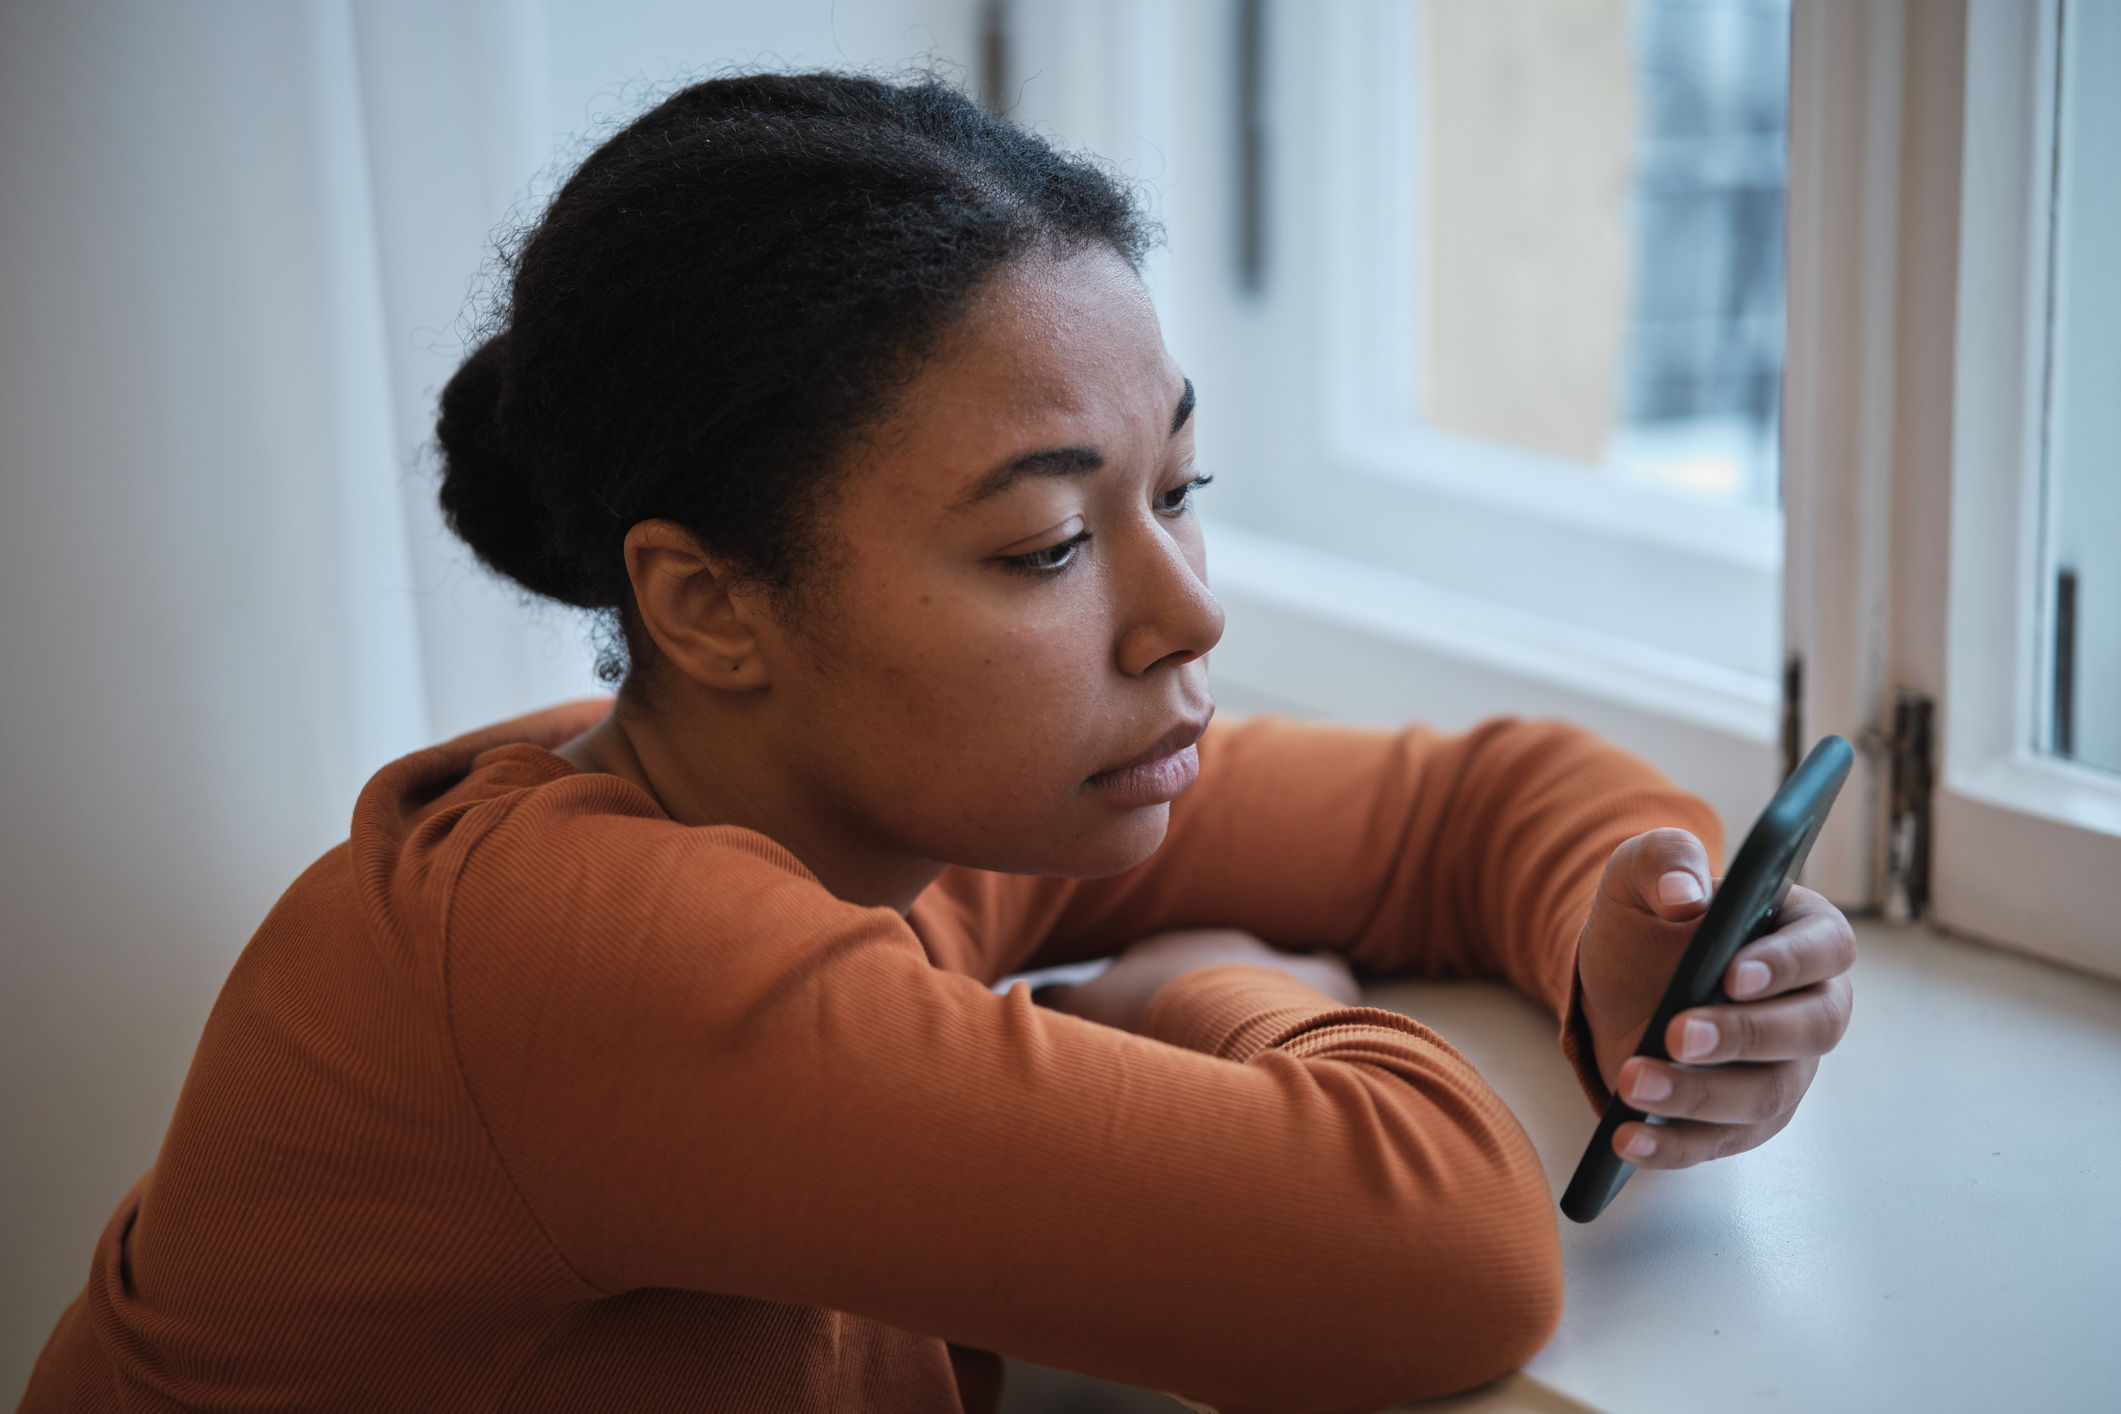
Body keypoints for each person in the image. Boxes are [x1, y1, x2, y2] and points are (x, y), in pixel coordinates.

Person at [21, 72, 1854, 1414]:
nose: (1186, 611)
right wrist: (1211, 989)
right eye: (1046, 546)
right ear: (710, 605)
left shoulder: (853, 797)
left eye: (1178, 489)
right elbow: (1449, 1258)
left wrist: (1634, 923)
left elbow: (1470, 803)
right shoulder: (584, 952)